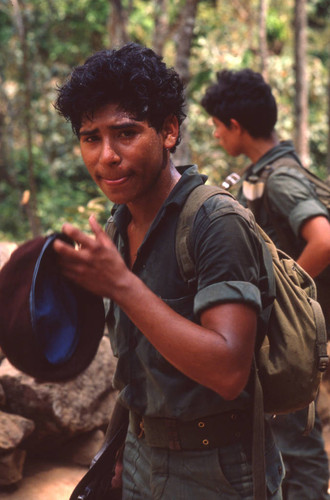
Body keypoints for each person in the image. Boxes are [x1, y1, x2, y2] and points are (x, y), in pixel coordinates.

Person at [53, 43, 284, 499]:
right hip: (140, 455)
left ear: (169, 131)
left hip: (217, 471)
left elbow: (227, 370)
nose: (107, 156)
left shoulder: (215, 223)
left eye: (125, 133)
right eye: (90, 138)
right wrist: (121, 449)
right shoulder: (120, 226)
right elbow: (136, 367)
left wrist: (121, 285)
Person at [201, 68, 330, 500]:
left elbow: (324, 239)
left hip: (290, 339)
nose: (216, 135)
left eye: (218, 127)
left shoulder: (280, 178)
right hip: (287, 337)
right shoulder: (259, 174)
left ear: (236, 125)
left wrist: (284, 300)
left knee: (297, 444)